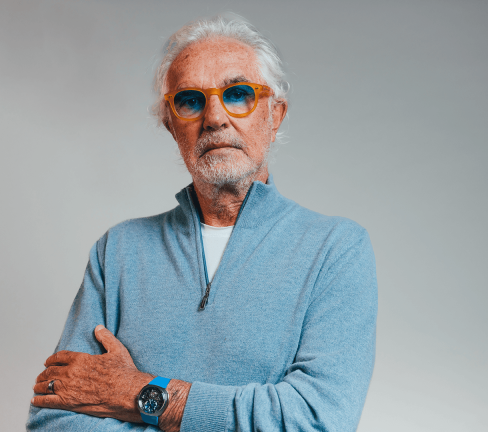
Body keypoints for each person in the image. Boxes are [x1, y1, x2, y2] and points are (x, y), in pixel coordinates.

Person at [27, 15, 377, 432]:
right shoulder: (117, 251)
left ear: (275, 115)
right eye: (190, 101)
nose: (214, 117)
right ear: (171, 126)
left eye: (238, 94)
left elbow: (316, 420)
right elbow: (53, 416)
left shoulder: (336, 249)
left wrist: (135, 392)